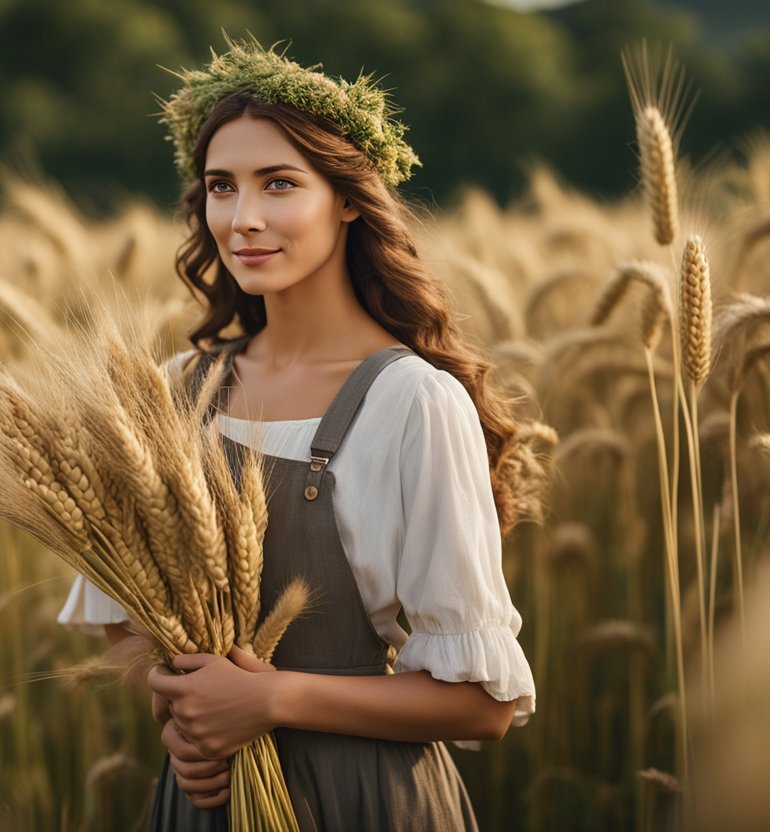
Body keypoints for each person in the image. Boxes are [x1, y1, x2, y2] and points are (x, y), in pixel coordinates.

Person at [58, 37, 538, 831]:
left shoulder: (412, 401)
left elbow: (481, 707)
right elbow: (118, 612)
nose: (243, 219)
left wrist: (270, 699)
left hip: (365, 800)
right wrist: (186, 708)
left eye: (279, 184)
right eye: (221, 187)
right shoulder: (174, 391)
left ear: (348, 198)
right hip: (203, 798)